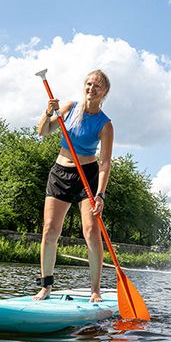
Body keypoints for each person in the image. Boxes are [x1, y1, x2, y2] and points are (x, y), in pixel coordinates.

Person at [33, 70, 114, 302]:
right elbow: (43, 131)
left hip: (87, 175)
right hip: (59, 173)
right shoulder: (69, 108)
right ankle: (45, 286)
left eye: (97, 86)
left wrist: (100, 194)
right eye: (89, 84)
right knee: (49, 229)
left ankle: (95, 290)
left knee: (90, 230)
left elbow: (105, 163)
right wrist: (48, 112)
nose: (91, 88)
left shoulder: (105, 125)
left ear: (104, 92)